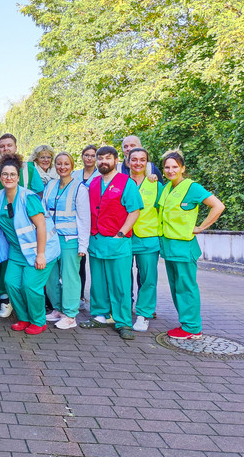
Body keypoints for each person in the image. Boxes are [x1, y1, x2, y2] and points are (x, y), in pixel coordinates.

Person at [158, 150, 225, 339]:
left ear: (183, 168)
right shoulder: (166, 188)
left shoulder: (192, 187)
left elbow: (218, 206)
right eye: (167, 167)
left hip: (184, 247)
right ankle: (186, 324)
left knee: (186, 287)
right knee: (176, 287)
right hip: (169, 247)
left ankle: (192, 328)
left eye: (175, 167)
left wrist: (201, 227)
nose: (171, 170)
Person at [80, 146, 143, 340]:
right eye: (100, 158)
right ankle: (100, 315)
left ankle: (123, 322)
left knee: (120, 284)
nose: (103, 161)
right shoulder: (93, 183)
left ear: (116, 160)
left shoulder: (127, 183)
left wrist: (121, 234)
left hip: (118, 241)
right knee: (97, 282)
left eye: (108, 158)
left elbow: (134, 211)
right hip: (97, 240)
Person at [0, 154, 60, 335]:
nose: (8, 178)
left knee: (30, 286)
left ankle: (38, 321)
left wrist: (40, 254)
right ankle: (23, 318)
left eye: (12, 174)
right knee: (11, 283)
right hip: (17, 250)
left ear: (18, 177)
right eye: (5, 174)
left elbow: (41, 226)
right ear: (0, 177)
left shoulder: (28, 197)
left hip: (42, 249)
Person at [42, 152, 90, 330]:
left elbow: (85, 219)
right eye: (59, 164)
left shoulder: (80, 188)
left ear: (72, 165)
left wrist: (83, 245)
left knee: (70, 277)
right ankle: (58, 309)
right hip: (51, 239)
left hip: (70, 240)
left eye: (66, 164)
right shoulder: (51, 185)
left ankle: (70, 315)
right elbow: (43, 210)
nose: (62, 167)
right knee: (51, 275)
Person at [128, 147, 163, 332]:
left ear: (147, 163)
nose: (138, 163)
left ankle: (143, 314)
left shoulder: (155, 184)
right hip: (125, 236)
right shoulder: (122, 182)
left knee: (148, 279)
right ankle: (125, 310)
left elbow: (163, 210)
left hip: (148, 239)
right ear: (128, 162)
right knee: (124, 277)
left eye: (142, 159)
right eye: (134, 159)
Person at [73, 144, 98, 306]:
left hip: (96, 221)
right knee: (79, 261)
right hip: (78, 222)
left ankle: (97, 298)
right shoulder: (75, 175)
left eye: (92, 155)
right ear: (82, 156)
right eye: (86, 155)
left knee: (95, 262)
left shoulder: (101, 175)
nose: (89, 158)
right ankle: (80, 295)